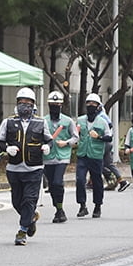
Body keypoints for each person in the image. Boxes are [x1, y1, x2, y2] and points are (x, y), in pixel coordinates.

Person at [0, 87, 51, 242]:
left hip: (34, 168)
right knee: (16, 201)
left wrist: (47, 147)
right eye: (21, 103)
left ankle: (22, 230)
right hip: (14, 168)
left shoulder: (41, 122)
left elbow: (49, 140)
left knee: (29, 199)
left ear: (33, 105)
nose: (24, 106)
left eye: (28, 103)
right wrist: (7, 148)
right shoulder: (8, 122)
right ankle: (30, 218)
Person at [43, 91, 78, 223]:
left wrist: (66, 143)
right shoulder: (43, 121)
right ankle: (57, 207)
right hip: (47, 157)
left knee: (58, 182)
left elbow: (75, 137)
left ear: (61, 105)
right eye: (53, 104)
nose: (55, 107)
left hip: (62, 156)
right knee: (52, 185)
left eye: (58, 104)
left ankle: (60, 209)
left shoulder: (68, 121)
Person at [73, 93, 110, 214]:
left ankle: (97, 206)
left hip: (96, 155)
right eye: (88, 103)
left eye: (93, 104)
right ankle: (82, 205)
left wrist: (99, 137)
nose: (91, 106)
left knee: (97, 181)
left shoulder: (103, 122)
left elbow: (109, 137)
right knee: (80, 180)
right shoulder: (80, 120)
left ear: (98, 106)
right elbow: (75, 134)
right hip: (82, 154)